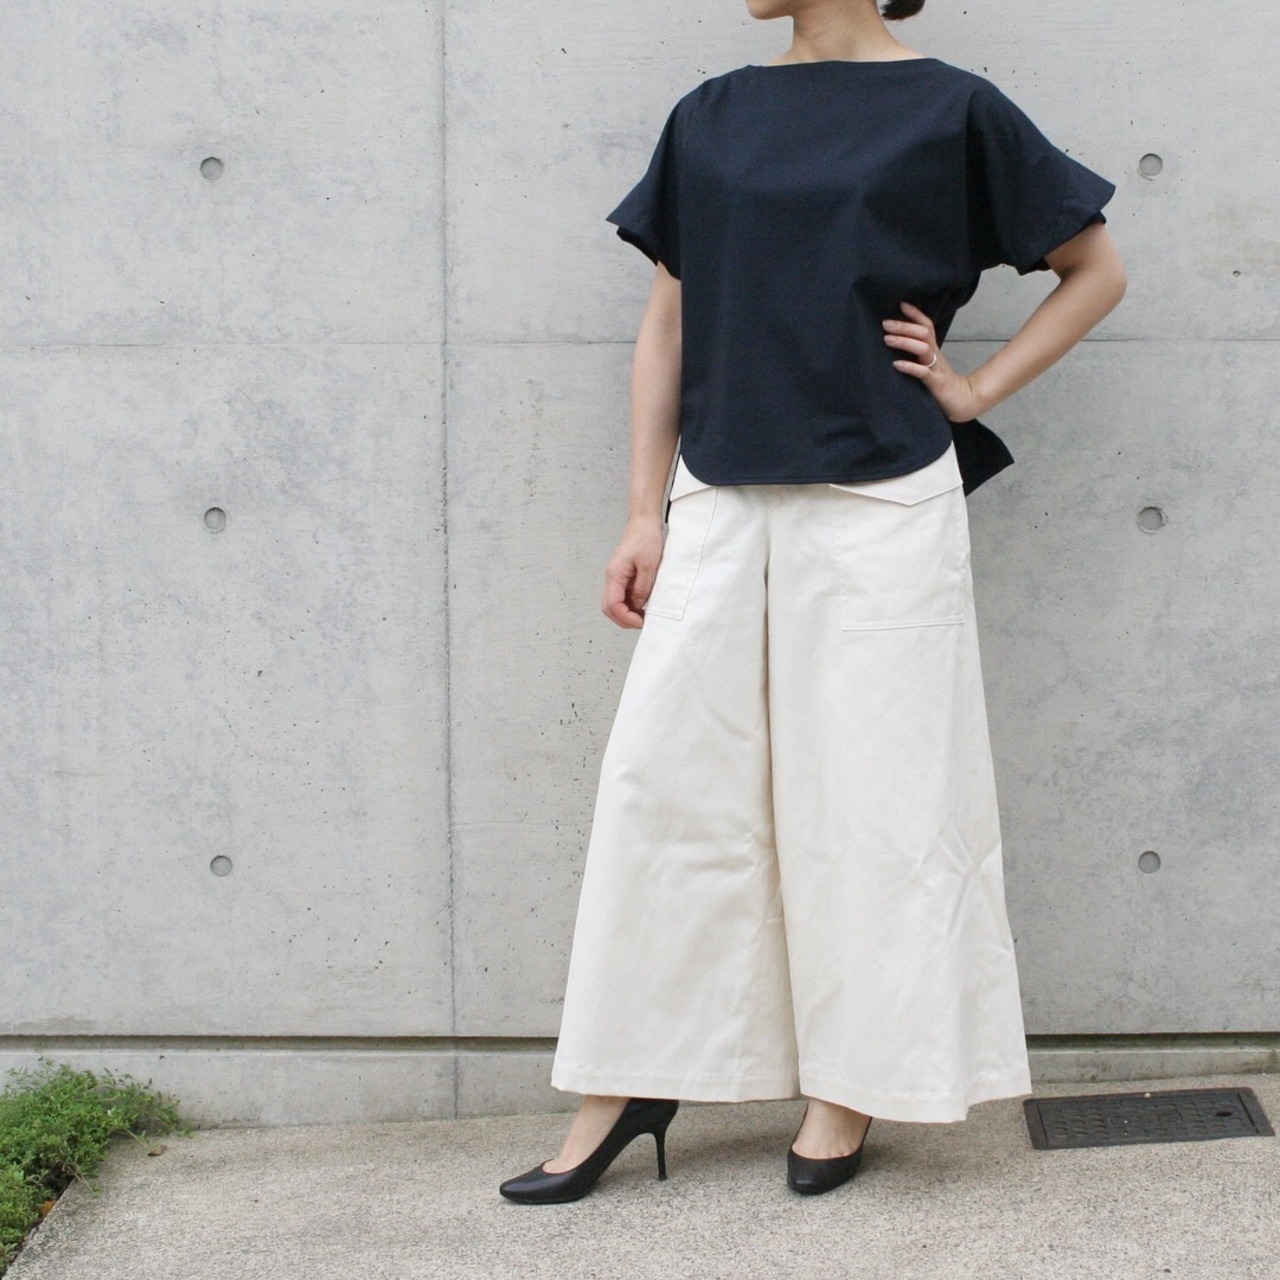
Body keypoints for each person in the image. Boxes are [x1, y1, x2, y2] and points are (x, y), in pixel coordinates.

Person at [500, 0, 1127, 1203]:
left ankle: (852, 1081)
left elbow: (1093, 271)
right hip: (719, 491)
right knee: (666, 790)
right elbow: (667, 321)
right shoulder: (711, 115)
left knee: (876, 803)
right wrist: (643, 512)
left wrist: (973, 386)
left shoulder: (953, 109)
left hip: (880, 500)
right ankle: (627, 1078)